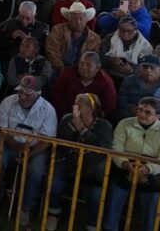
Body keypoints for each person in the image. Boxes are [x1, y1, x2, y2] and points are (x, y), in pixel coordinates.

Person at [0, 75, 58, 228]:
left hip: (36, 149)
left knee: (36, 170)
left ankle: (26, 207)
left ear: (38, 94)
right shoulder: (8, 102)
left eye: (27, 94)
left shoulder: (48, 110)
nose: (22, 96)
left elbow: (47, 140)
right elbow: (0, 129)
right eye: (20, 92)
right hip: (10, 143)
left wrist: (29, 154)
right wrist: (14, 144)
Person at [102, 97, 160, 231]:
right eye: (140, 110)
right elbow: (115, 148)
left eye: (148, 112)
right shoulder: (124, 124)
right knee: (113, 199)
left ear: (158, 116)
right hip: (124, 168)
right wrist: (124, 163)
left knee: (152, 208)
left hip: (151, 174)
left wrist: (148, 168)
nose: (142, 114)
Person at [45, 93, 114, 231]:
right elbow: (62, 143)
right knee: (54, 184)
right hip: (68, 161)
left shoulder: (104, 125)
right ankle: (53, 213)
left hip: (92, 168)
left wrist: (83, 130)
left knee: (96, 196)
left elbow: (102, 148)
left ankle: (92, 224)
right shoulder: (67, 119)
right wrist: (74, 126)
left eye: (78, 104)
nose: (74, 106)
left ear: (90, 108)